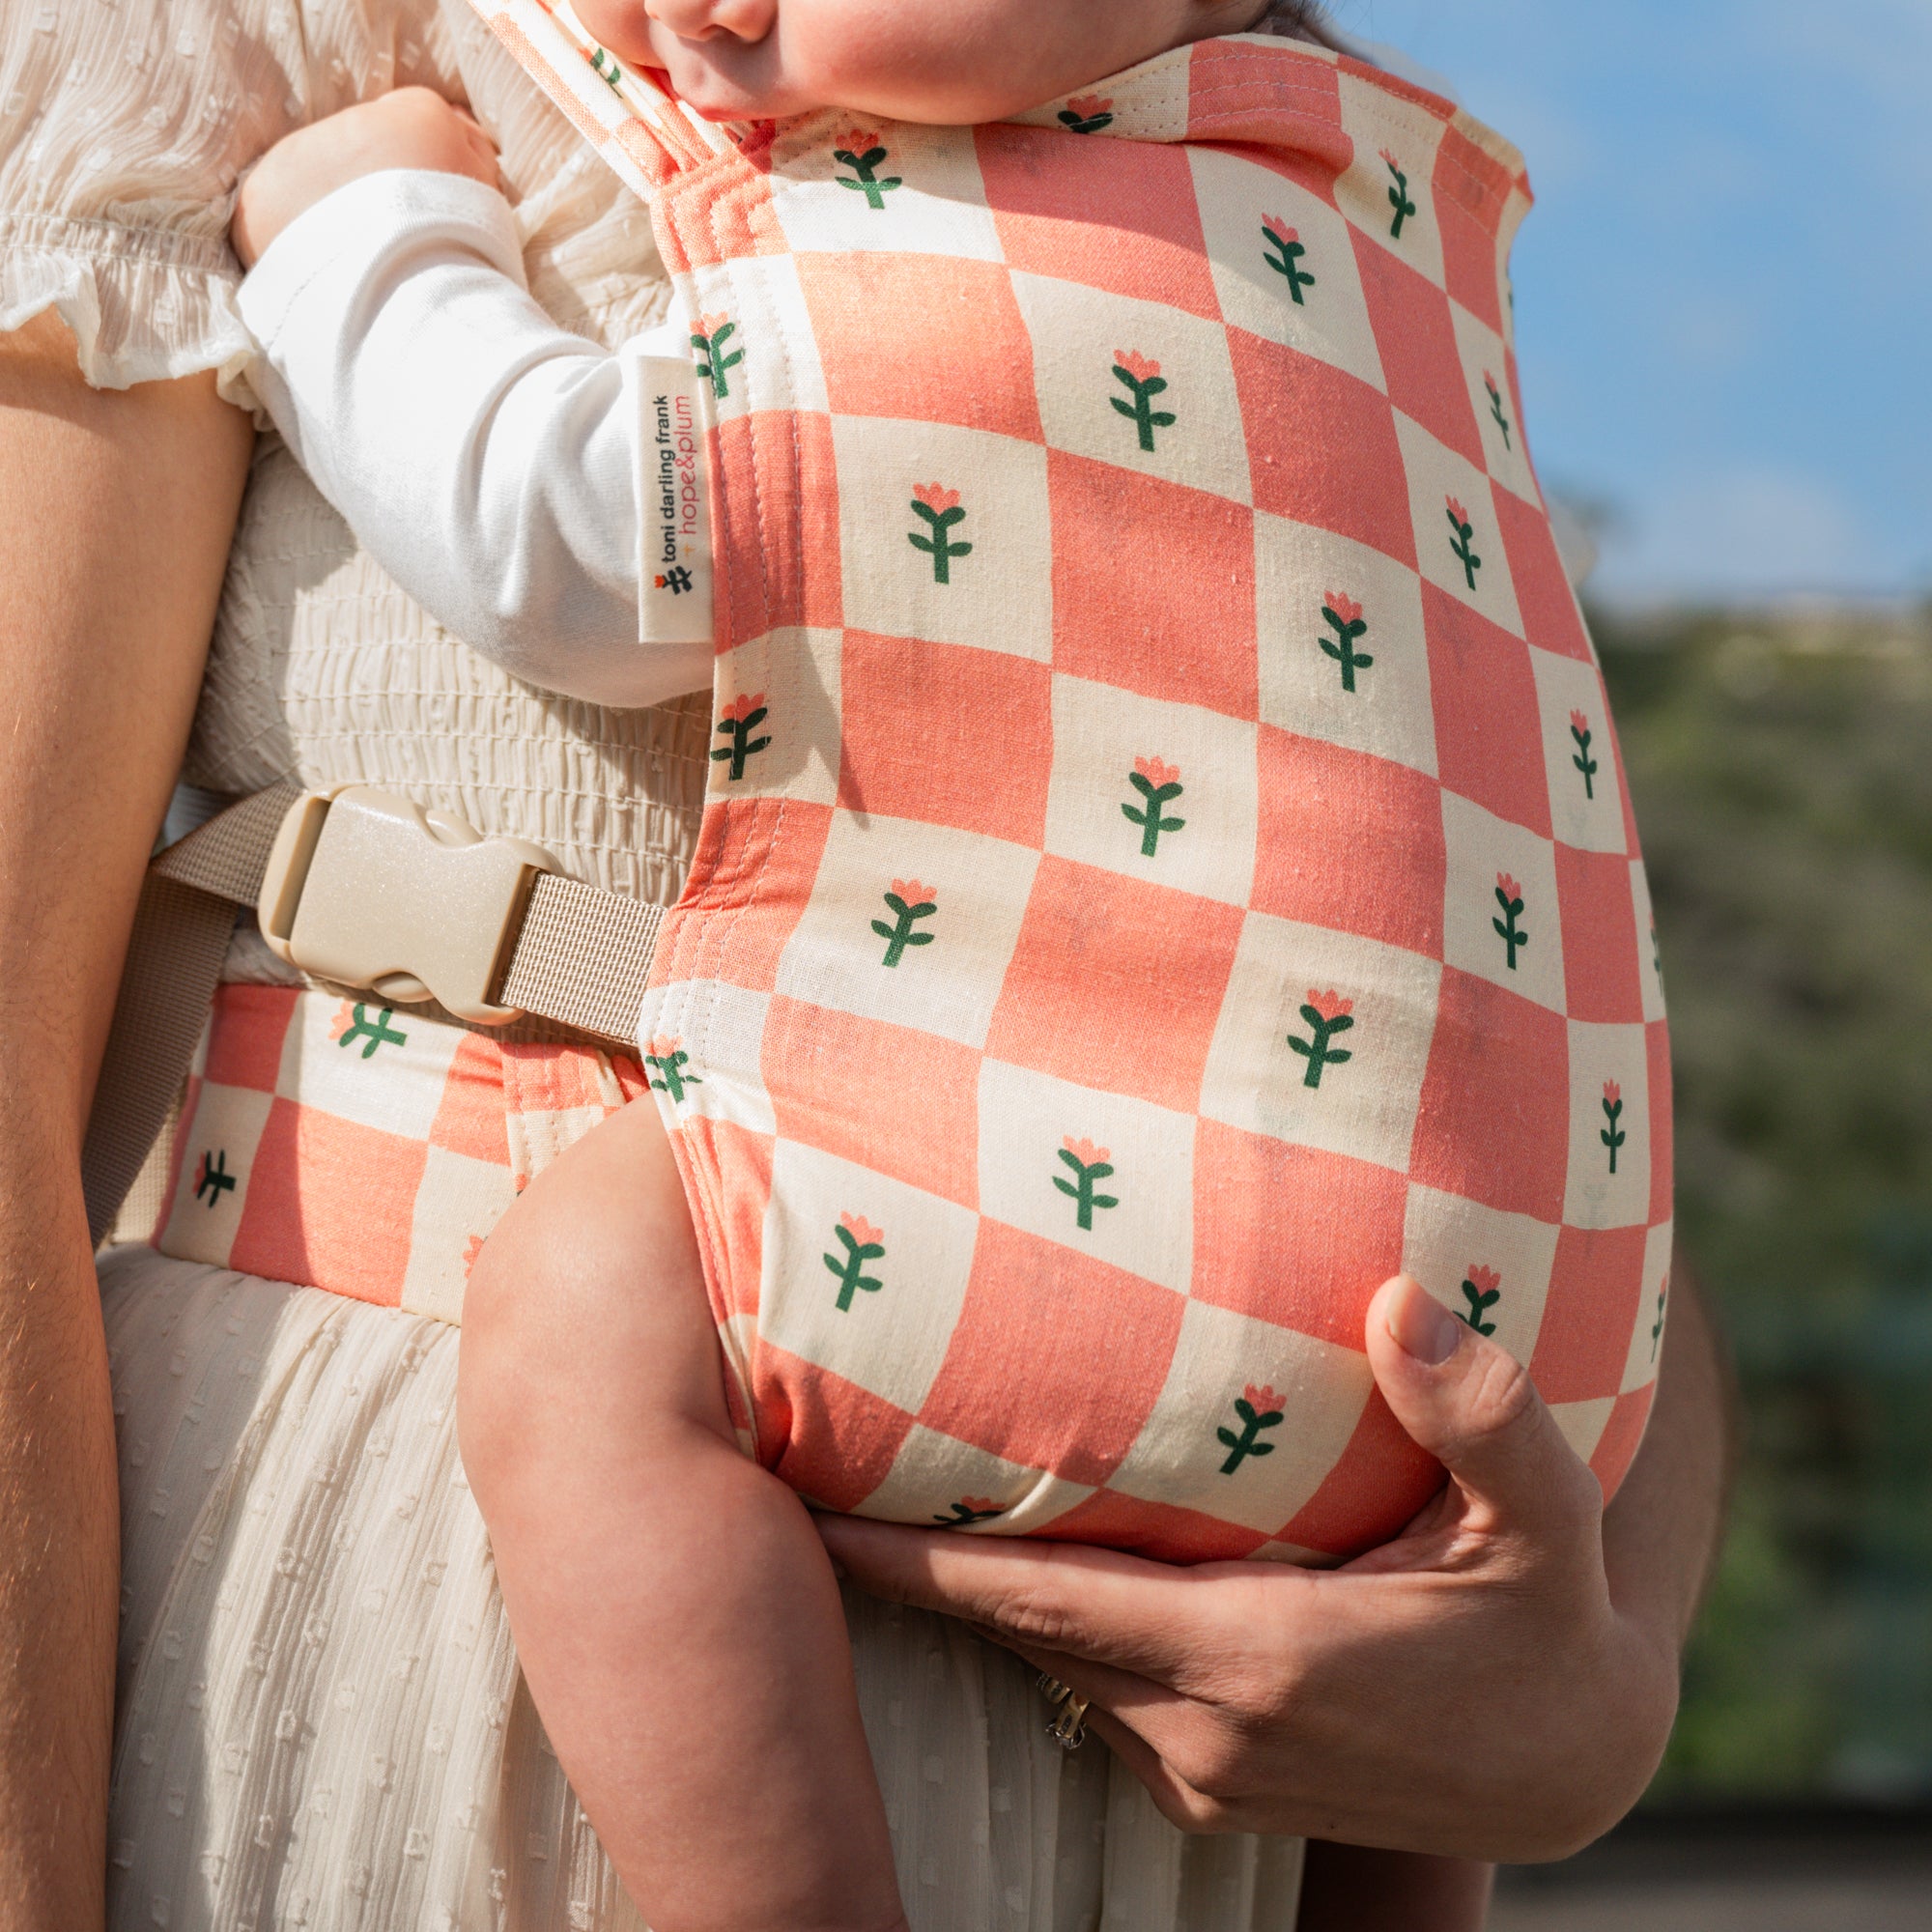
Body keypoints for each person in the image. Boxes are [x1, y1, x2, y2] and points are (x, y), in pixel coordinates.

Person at [0, 2, 1730, 1928]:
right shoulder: (196, 39)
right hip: (415, 1582)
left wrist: (1596, 1678)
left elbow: (1467, 989)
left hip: (1094, 1680)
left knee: (593, 1285)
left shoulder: (1251, 176)